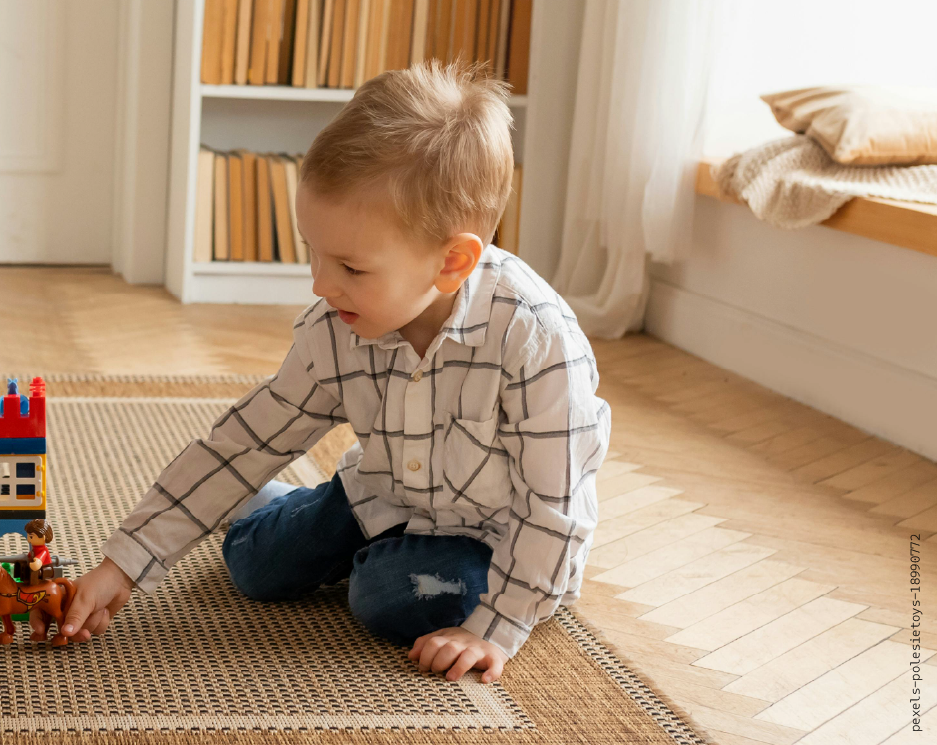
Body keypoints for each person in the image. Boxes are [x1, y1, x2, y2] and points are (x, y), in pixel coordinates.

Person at [61, 62, 610, 685]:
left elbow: (555, 509)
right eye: (313, 254)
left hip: (490, 538)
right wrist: (124, 562)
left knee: (385, 595)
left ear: (452, 262)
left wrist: (499, 627)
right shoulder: (336, 324)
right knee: (251, 565)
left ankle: (365, 556)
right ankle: (291, 513)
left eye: (350, 265)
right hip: (382, 494)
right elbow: (246, 444)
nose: (321, 285)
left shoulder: (536, 341)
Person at [16, 518, 54, 584]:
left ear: (43, 537)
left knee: (33, 571)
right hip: (38, 567)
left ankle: (33, 588)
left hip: (45, 570)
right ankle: (19, 582)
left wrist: (35, 562)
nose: (28, 540)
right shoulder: (35, 549)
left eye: (31, 537)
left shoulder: (44, 551)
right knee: (20, 565)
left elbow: (36, 565)